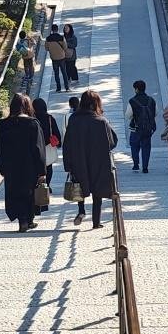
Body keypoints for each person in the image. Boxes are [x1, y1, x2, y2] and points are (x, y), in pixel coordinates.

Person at [62, 89, 116, 229]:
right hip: (98, 161)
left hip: (78, 160)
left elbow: (66, 143)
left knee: (80, 186)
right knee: (97, 192)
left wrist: (67, 164)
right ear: (95, 104)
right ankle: (96, 222)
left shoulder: (73, 119)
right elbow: (112, 142)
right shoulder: (101, 121)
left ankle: (81, 211)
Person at [0, 92, 47, 232]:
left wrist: (2, 167)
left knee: (14, 192)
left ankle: (22, 219)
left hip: (11, 165)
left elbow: (0, 148)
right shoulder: (32, 123)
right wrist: (42, 170)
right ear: (27, 106)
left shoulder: (3, 124)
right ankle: (28, 220)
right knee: (29, 192)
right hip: (29, 165)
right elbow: (38, 148)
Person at [127, 79, 157, 175]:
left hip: (135, 128)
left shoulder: (132, 101)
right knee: (146, 147)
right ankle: (145, 167)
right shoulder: (151, 100)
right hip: (148, 128)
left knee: (134, 146)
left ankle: (136, 165)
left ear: (136, 89)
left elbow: (128, 115)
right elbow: (156, 113)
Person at [32, 96, 62, 187]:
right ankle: (47, 185)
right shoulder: (49, 118)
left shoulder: (32, 119)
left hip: (35, 146)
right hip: (47, 146)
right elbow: (56, 132)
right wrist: (58, 143)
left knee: (35, 166)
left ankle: (37, 184)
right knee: (48, 166)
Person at [45, 23, 70, 92]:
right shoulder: (61, 37)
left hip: (54, 58)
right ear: (57, 29)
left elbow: (46, 48)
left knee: (56, 73)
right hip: (62, 57)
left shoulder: (48, 39)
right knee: (64, 73)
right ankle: (67, 87)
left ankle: (58, 88)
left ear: (52, 30)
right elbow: (65, 47)